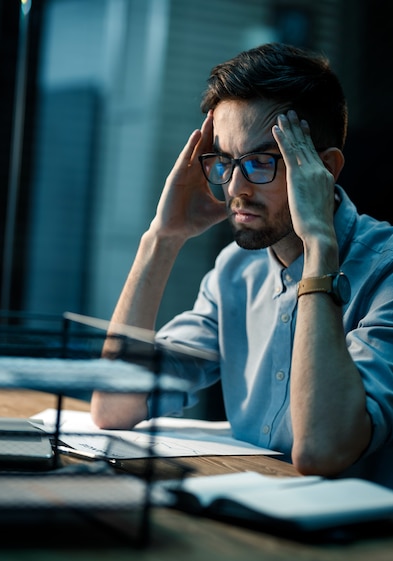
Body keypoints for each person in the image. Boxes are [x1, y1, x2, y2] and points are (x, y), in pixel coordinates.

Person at [91, 42, 393, 487]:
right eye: (224, 162)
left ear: (323, 169)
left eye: (260, 162)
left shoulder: (385, 272)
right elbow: (114, 406)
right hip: (249, 525)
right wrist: (161, 239)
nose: (235, 187)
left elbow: (322, 449)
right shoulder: (235, 271)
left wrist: (319, 249)